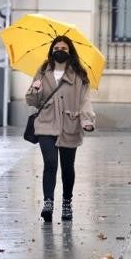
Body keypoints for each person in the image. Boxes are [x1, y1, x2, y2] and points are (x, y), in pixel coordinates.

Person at [25, 35, 95, 222]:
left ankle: (66, 203)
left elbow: (85, 101)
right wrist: (35, 89)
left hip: (69, 125)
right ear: (51, 50)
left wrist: (87, 120)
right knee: (50, 164)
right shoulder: (42, 71)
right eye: (57, 48)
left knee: (67, 167)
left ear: (70, 52)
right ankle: (48, 202)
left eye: (64, 48)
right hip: (46, 124)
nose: (60, 51)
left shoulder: (79, 75)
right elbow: (31, 101)